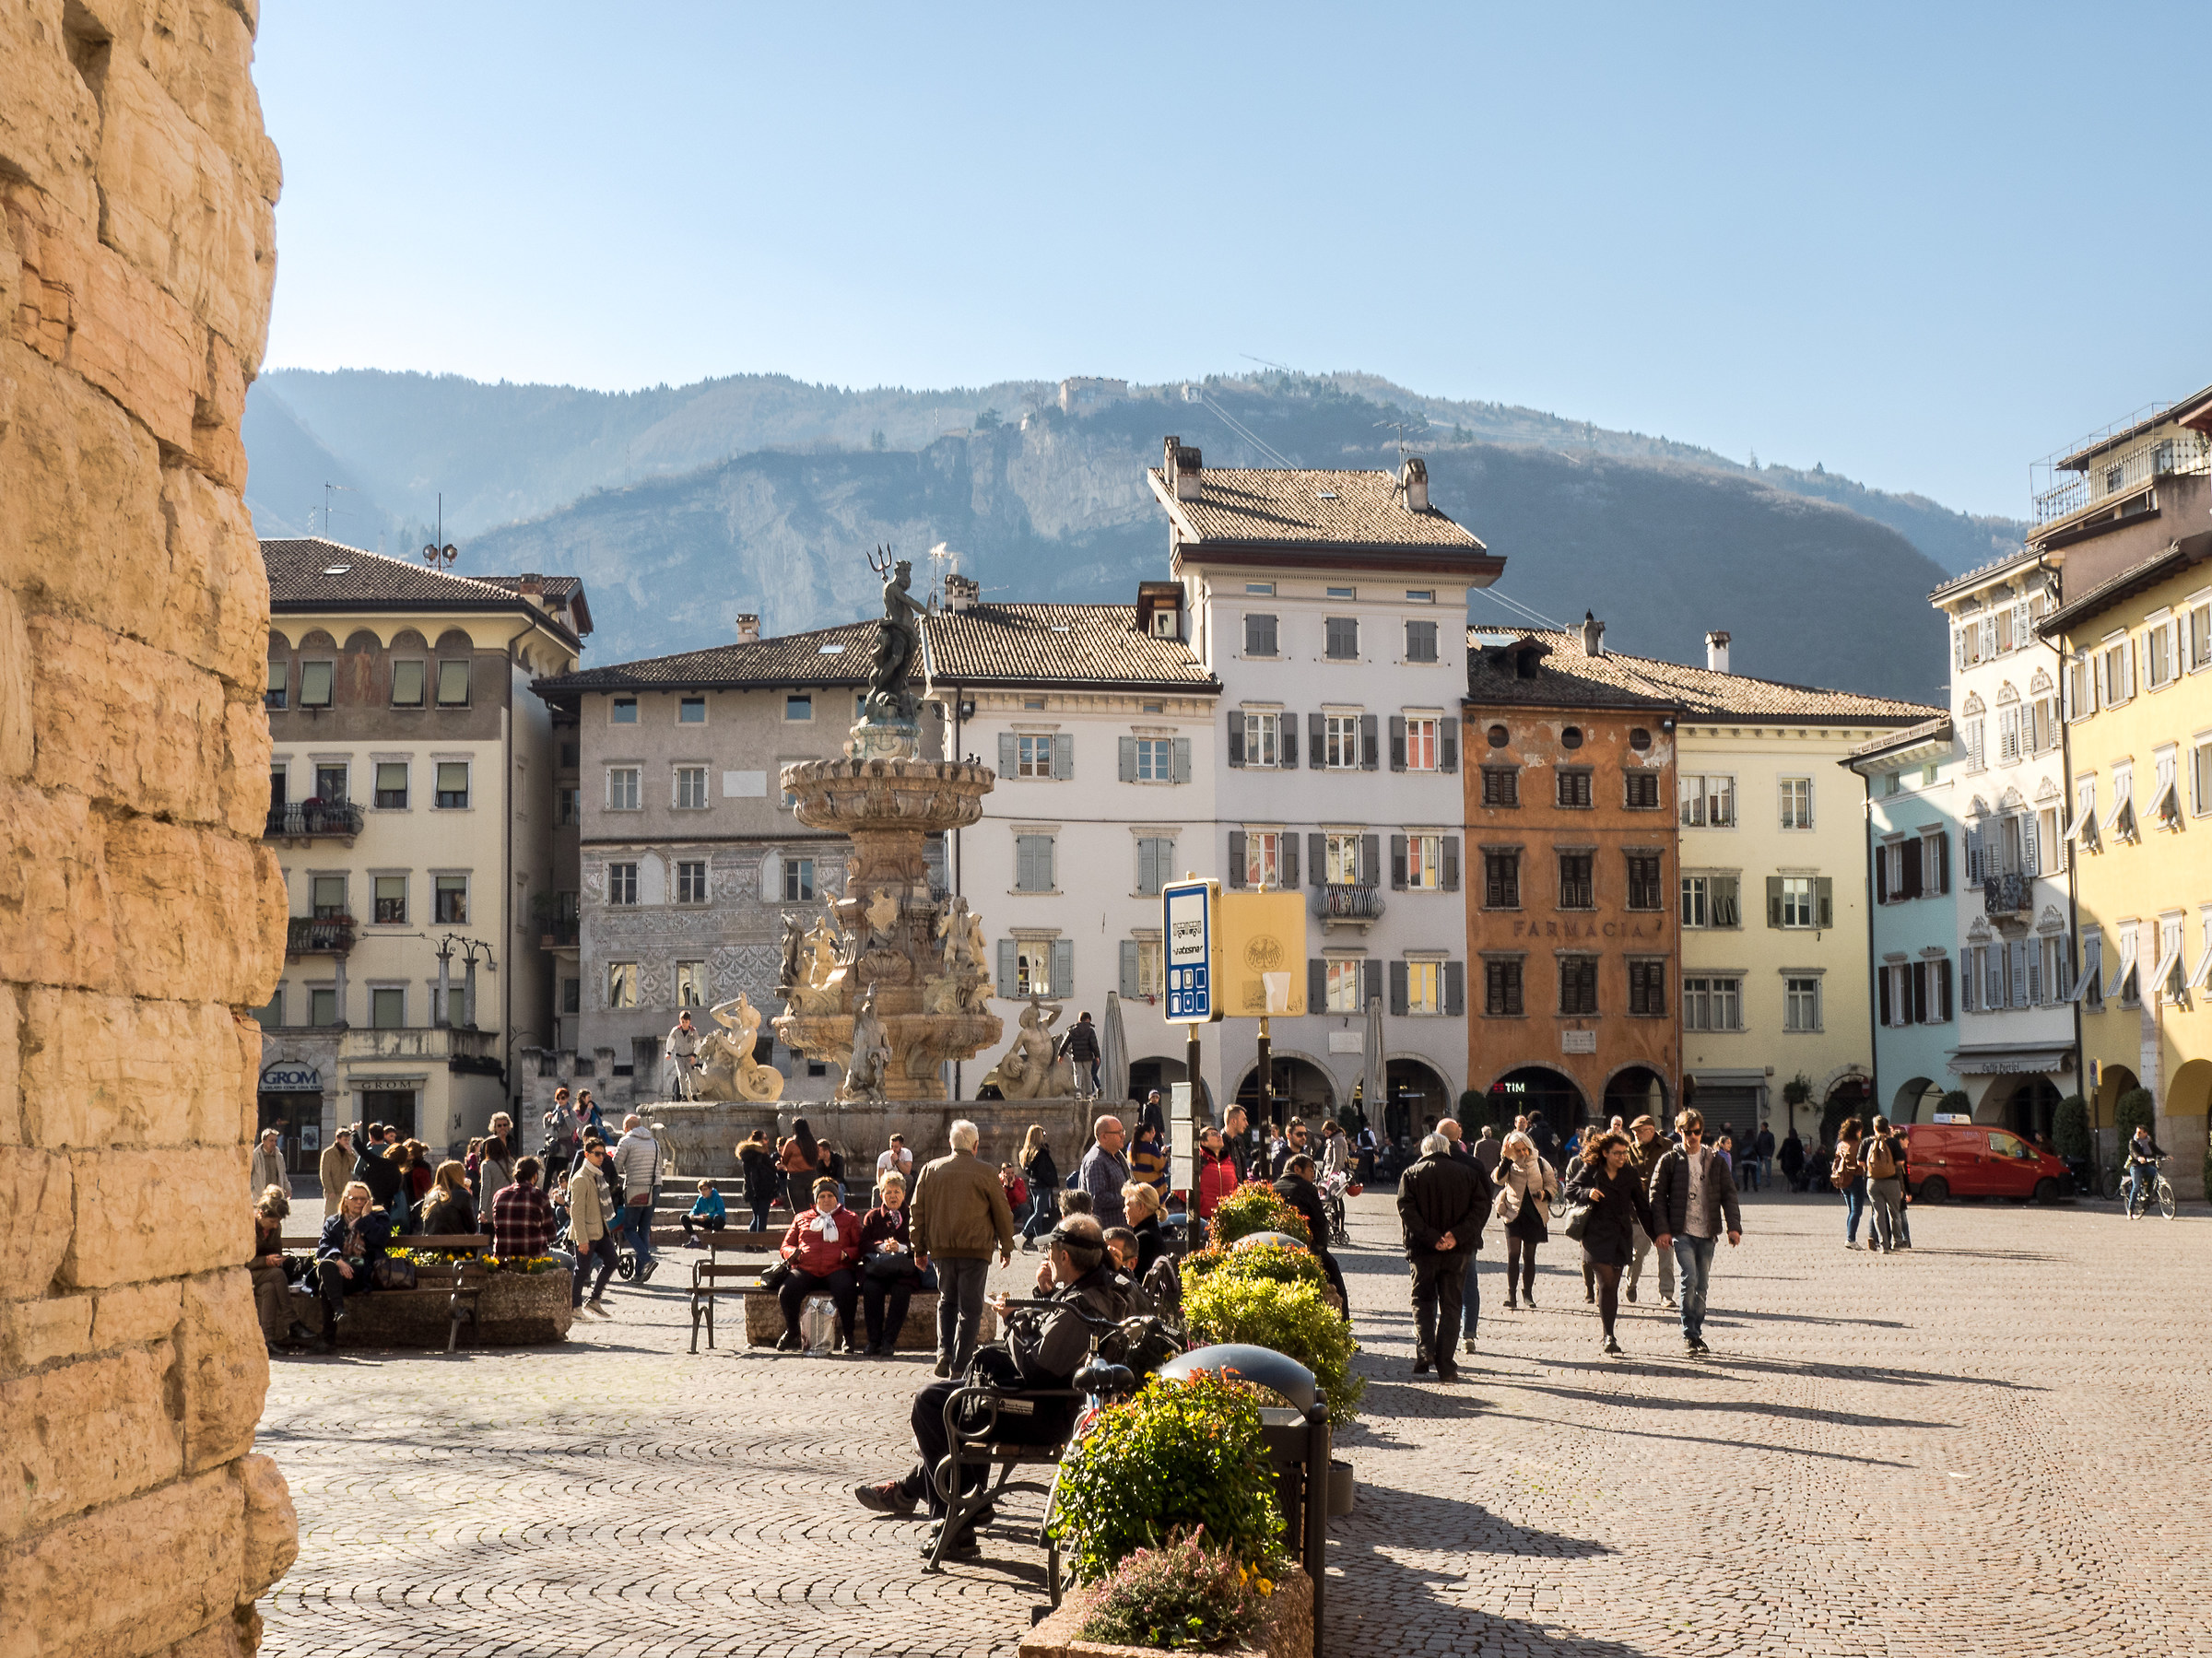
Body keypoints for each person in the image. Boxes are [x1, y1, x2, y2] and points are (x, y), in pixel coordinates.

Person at [853, 1215, 1122, 1559]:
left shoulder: (1082, 1303)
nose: (1047, 1258)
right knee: (950, 1394)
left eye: (1050, 1251)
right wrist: (1043, 1295)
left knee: (932, 1403)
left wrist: (1010, 1320)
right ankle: (962, 1500)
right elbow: (1049, 1341)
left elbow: (1036, 1367)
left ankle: (953, 1526)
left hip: (1042, 1411)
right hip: (1047, 1400)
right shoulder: (1092, 1288)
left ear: (1064, 1256)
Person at [912, 1118, 1016, 1376]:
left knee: (946, 1301)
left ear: (951, 1144)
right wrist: (1006, 1246)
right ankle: (960, 1365)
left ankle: (943, 1352)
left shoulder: (930, 1169)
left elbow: (918, 1211)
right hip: (976, 1248)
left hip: (942, 1248)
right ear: (976, 1145)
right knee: (970, 1309)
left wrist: (919, 1247)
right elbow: (1002, 1212)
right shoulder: (987, 1172)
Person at [1647, 1108, 1743, 1356]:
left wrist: (1734, 1227)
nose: (1692, 1136)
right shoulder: (1669, 1160)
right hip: (1682, 1231)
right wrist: (1662, 1231)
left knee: (1702, 1285)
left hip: (1707, 1231)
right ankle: (1689, 1334)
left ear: (1702, 1132)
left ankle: (1697, 1332)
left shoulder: (1715, 1160)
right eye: (1687, 1132)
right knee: (1689, 1278)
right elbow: (1656, 1197)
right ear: (1679, 1132)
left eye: (1696, 1132)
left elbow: (1729, 1195)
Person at [1563, 1129, 1665, 1357]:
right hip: (1595, 1235)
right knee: (1605, 1279)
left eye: (1624, 1153)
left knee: (1611, 1286)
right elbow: (1570, 1190)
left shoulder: (1629, 1173)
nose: (1622, 1157)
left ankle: (1608, 1333)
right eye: (1617, 1153)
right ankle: (1609, 1334)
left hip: (1620, 1235)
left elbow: (1642, 1208)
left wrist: (1655, 1235)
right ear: (1605, 1153)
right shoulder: (1592, 1169)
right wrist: (1588, 1192)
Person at [1396, 1132, 1486, 1381]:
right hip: (1456, 1251)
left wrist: (1431, 1236)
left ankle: (1425, 1350)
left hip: (1423, 1250)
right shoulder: (1467, 1174)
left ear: (1425, 1150)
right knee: (1452, 1305)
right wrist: (1456, 1235)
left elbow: (1406, 1209)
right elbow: (1480, 1209)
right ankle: (1446, 1363)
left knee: (1423, 1301)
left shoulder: (1412, 1174)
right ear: (1447, 1148)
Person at [774, 1177, 863, 1352]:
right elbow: (786, 1245)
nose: (826, 1199)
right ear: (816, 1200)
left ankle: (848, 1335)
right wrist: (792, 1253)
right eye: (822, 1196)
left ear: (837, 1198)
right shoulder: (801, 1218)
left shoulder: (850, 1218)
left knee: (846, 1289)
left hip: (837, 1267)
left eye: (830, 1195)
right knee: (787, 1291)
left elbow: (860, 1246)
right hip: (806, 1268)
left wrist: (847, 1254)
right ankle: (792, 1330)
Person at [1436, 1118, 1496, 1354]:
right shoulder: (1473, 1165)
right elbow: (1484, 1204)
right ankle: (1469, 1334)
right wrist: (1471, 1230)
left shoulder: (1426, 1164)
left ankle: (1431, 1332)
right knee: (1469, 1284)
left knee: (1434, 1284)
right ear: (1458, 1135)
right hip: (1465, 1236)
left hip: (1435, 1237)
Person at [314, 1180, 394, 1346]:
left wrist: (366, 1218)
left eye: (363, 1199)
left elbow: (380, 1240)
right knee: (327, 1266)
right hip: (339, 1271)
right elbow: (324, 1247)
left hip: (364, 1273)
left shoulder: (379, 1217)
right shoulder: (333, 1221)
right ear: (345, 1200)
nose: (359, 1202)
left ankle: (328, 1338)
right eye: (354, 1198)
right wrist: (339, 1261)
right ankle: (338, 1311)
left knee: (325, 1285)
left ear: (369, 1201)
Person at [858, 1170, 925, 1357]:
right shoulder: (872, 1217)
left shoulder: (914, 1215)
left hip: (903, 1270)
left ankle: (889, 1341)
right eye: (888, 1192)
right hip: (878, 1268)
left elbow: (921, 1242)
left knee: (902, 1291)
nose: (893, 1196)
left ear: (904, 1194)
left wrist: (902, 1248)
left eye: (896, 1192)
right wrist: (881, 1247)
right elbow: (863, 1244)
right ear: (881, 1195)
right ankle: (874, 1340)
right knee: (871, 1289)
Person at [1273, 1154, 1348, 1307]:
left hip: (1275, 1245)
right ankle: (1343, 1321)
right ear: (1297, 1169)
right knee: (1334, 1273)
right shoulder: (1307, 1189)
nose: (1313, 1174)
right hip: (1305, 1247)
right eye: (1310, 1170)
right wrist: (1320, 1249)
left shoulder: (1273, 1188)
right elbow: (1320, 1222)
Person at [1493, 1129, 1557, 1309]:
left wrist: (1545, 1193)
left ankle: (1527, 1293)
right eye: (1517, 1150)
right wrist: (1506, 1159)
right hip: (1513, 1213)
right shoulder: (1509, 1164)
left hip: (1534, 1214)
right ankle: (1511, 1293)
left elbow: (1552, 1185)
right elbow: (1498, 1179)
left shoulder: (1540, 1162)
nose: (1521, 1153)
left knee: (1529, 1255)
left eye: (1524, 1150)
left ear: (1529, 1147)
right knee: (1513, 1254)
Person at [252, 1187, 318, 1355]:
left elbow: (276, 1250)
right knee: (277, 1274)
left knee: (269, 1288)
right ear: (261, 1214)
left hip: (265, 1276)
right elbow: (241, 1261)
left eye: (278, 1222)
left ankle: (267, 1340)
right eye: (272, 1221)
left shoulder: (275, 1228)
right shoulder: (248, 1228)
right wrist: (266, 1261)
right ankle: (293, 1322)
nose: (275, 1225)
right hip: (248, 1272)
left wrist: (279, 1259)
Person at [1623, 1115, 1676, 1309]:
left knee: (1666, 1254)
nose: (1635, 1135)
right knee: (1638, 1253)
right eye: (1634, 1132)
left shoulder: (1668, 1147)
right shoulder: (1629, 1150)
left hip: (1663, 1209)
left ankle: (1666, 1294)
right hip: (1638, 1210)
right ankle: (1631, 1283)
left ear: (1651, 1131)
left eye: (1639, 1131)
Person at [568, 1137, 618, 1318]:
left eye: (603, 1154)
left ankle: (594, 1300)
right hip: (587, 1232)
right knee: (582, 1270)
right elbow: (577, 1211)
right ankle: (574, 1308)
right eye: (597, 1154)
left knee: (613, 1261)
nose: (601, 1157)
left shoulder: (597, 1175)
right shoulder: (581, 1178)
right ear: (587, 1155)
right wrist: (581, 1239)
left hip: (600, 1229)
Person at [612, 1113, 662, 1282]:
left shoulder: (626, 1141)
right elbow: (659, 1166)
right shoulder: (654, 1142)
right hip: (655, 1187)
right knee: (644, 1229)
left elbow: (615, 1167)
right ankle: (640, 1272)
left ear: (626, 1128)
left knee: (629, 1228)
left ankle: (646, 1259)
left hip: (636, 1188)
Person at [1077, 1115, 1132, 1229]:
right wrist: (1128, 1199)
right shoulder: (1096, 1161)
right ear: (1104, 1136)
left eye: (1123, 1131)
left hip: (1122, 1229)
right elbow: (1098, 1197)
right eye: (1118, 1132)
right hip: (1107, 1230)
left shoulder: (1117, 1155)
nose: (1123, 1136)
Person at [1018, 1125, 1059, 1248]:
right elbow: (1043, 1171)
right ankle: (1023, 1235)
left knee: (1037, 1213)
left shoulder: (1028, 1152)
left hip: (1033, 1184)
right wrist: (1050, 1181)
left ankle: (1039, 1241)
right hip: (1042, 1185)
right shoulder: (1041, 1153)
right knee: (1039, 1213)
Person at [1120, 1180, 1170, 1278]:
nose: (1124, 1210)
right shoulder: (1152, 1234)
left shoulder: (1143, 1239)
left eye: (1127, 1205)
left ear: (1141, 1208)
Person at [1195, 1125, 1241, 1234]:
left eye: (1218, 1134)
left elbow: (1235, 1188)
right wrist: (1201, 1204)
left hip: (1227, 1219)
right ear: (1203, 1142)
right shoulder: (1198, 1162)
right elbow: (1183, 1190)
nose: (1219, 1136)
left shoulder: (1229, 1163)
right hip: (1204, 1220)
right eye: (1214, 1134)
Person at [1831, 1118, 1868, 1248]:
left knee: (1851, 1210)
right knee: (1856, 1211)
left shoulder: (1841, 1144)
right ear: (1857, 1131)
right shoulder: (1858, 1144)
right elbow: (1861, 1162)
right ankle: (1851, 1239)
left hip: (1842, 1179)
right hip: (1855, 1178)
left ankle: (1849, 1237)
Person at [417, 1160, 476, 1236]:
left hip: (430, 1245)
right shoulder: (462, 1195)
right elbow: (471, 1228)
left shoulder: (430, 1195)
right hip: (454, 1246)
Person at [738, 1130, 779, 1231]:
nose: (767, 1141)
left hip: (751, 1189)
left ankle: (750, 1242)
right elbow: (772, 1169)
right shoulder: (762, 1154)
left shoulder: (746, 1155)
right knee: (762, 1217)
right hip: (764, 1189)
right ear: (759, 1141)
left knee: (756, 1216)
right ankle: (760, 1244)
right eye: (765, 1139)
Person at [782, 1117, 823, 1213]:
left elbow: (784, 1160)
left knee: (799, 1211)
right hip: (812, 1176)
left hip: (796, 1178)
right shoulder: (813, 1143)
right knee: (812, 1210)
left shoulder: (791, 1143)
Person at [2124, 1123, 2166, 1213]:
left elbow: (2156, 1150)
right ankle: (2130, 1210)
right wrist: (2139, 1158)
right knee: (2136, 1186)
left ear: (2145, 1133)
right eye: (2137, 1132)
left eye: (2140, 1132)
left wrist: (2166, 1156)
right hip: (2135, 1166)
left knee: (2156, 1174)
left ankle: (2148, 1194)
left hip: (2146, 1166)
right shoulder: (2133, 1142)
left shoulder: (2149, 1142)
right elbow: (2133, 1152)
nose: (2137, 1134)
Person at [1060, 1010, 1102, 1096]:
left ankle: (1078, 1092)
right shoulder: (1090, 1031)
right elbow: (1094, 1044)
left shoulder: (1072, 1030)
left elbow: (1065, 1043)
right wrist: (1097, 1056)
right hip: (1088, 1057)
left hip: (1076, 1056)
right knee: (1088, 1074)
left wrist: (1060, 1054)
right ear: (1088, 1020)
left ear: (1079, 1020)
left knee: (1078, 1074)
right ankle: (1089, 1093)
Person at [319, 1128, 354, 1217]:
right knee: (330, 1216)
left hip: (345, 1191)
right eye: (345, 1140)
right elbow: (325, 1174)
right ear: (338, 1139)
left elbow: (354, 1168)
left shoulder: (348, 1153)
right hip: (333, 1191)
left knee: (346, 1216)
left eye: (348, 1140)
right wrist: (330, 1190)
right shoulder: (328, 1153)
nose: (347, 1142)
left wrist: (351, 1154)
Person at [1129, 1121, 1169, 1196]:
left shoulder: (1131, 1147)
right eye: (1153, 1132)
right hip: (1154, 1192)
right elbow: (1164, 1167)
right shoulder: (1151, 1148)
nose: (1154, 1135)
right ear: (1146, 1134)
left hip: (1139, 1190)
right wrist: (1163, 1154)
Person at [683, 1181, 727, 1248]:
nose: (702, 1192)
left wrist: (709, 1216)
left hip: (716, 1222)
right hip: (706, 1222)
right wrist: (692, 1214)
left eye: (705, 1189)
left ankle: (713, 1241)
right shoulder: (701, 1198)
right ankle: (695, 1239)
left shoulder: (717, 1197)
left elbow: (721, 1211)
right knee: (684, 1217)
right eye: (701, 1190)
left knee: (717, 1218)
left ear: (710, 1189)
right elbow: (695, 1209)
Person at [251, 1129, 291, 1201]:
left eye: (275, 1141)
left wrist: (288, 1188)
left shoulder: (279, 1156)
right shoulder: (255, 1156)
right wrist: (253, 1191)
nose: (274, 1143)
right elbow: (249, 1176)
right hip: (260, 1196)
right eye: (271, 1140)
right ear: (263, 1141)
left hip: (276, 1196)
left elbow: (283, 1174)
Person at [877, 1134, 915, 1201]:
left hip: (901, 1179)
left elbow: (907, 1171)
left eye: (896, 1147)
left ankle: (901, 1201)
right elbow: (879, 1176)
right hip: (888, 1180)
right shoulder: (883, 1157)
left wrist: (897, 1161)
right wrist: (882, 1188)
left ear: (901, 1146)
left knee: (910, 1179)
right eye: (891, 1146)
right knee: (876, 1190)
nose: (893, 1149)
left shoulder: (907, 1153)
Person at [477, 1135, 515, 1201]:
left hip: (493, 1202)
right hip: (509, 1199)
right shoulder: (510, 1161)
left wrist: (482, 1208)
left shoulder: (487, 1164)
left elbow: (486, 1187)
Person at [1223, 1104, 1253, 1181]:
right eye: (1244, 1120)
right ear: (1234, 1121)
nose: (1247, 1123)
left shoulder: (1239, 1141)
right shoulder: (1219, 1142)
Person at [1778, 1128, 1806, 1193]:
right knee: (1795, 1173)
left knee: (1788, 1172)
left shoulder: (1787, 1141)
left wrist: (1778, 1156)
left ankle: (1794, 1183)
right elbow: (1801, 1151)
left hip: (1788, 1163)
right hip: (1798, 1163)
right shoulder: (1798, 1141)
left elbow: (1783, 1150)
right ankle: (1796, 1183)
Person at [1754, 1120, 1777, 1184]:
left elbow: (1772, 1145)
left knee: (1768, 1169)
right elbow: (1758, 1144)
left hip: (1767, 1154)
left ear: (1765, 1127)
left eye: (1762, 1126)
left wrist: (1770, 1155)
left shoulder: (1770, 1135)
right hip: (1760, 1154)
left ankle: (1768, 1181)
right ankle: (1758, 1181)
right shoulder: (1760, 1135)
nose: (1761, 1127)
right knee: (1758, 1168)